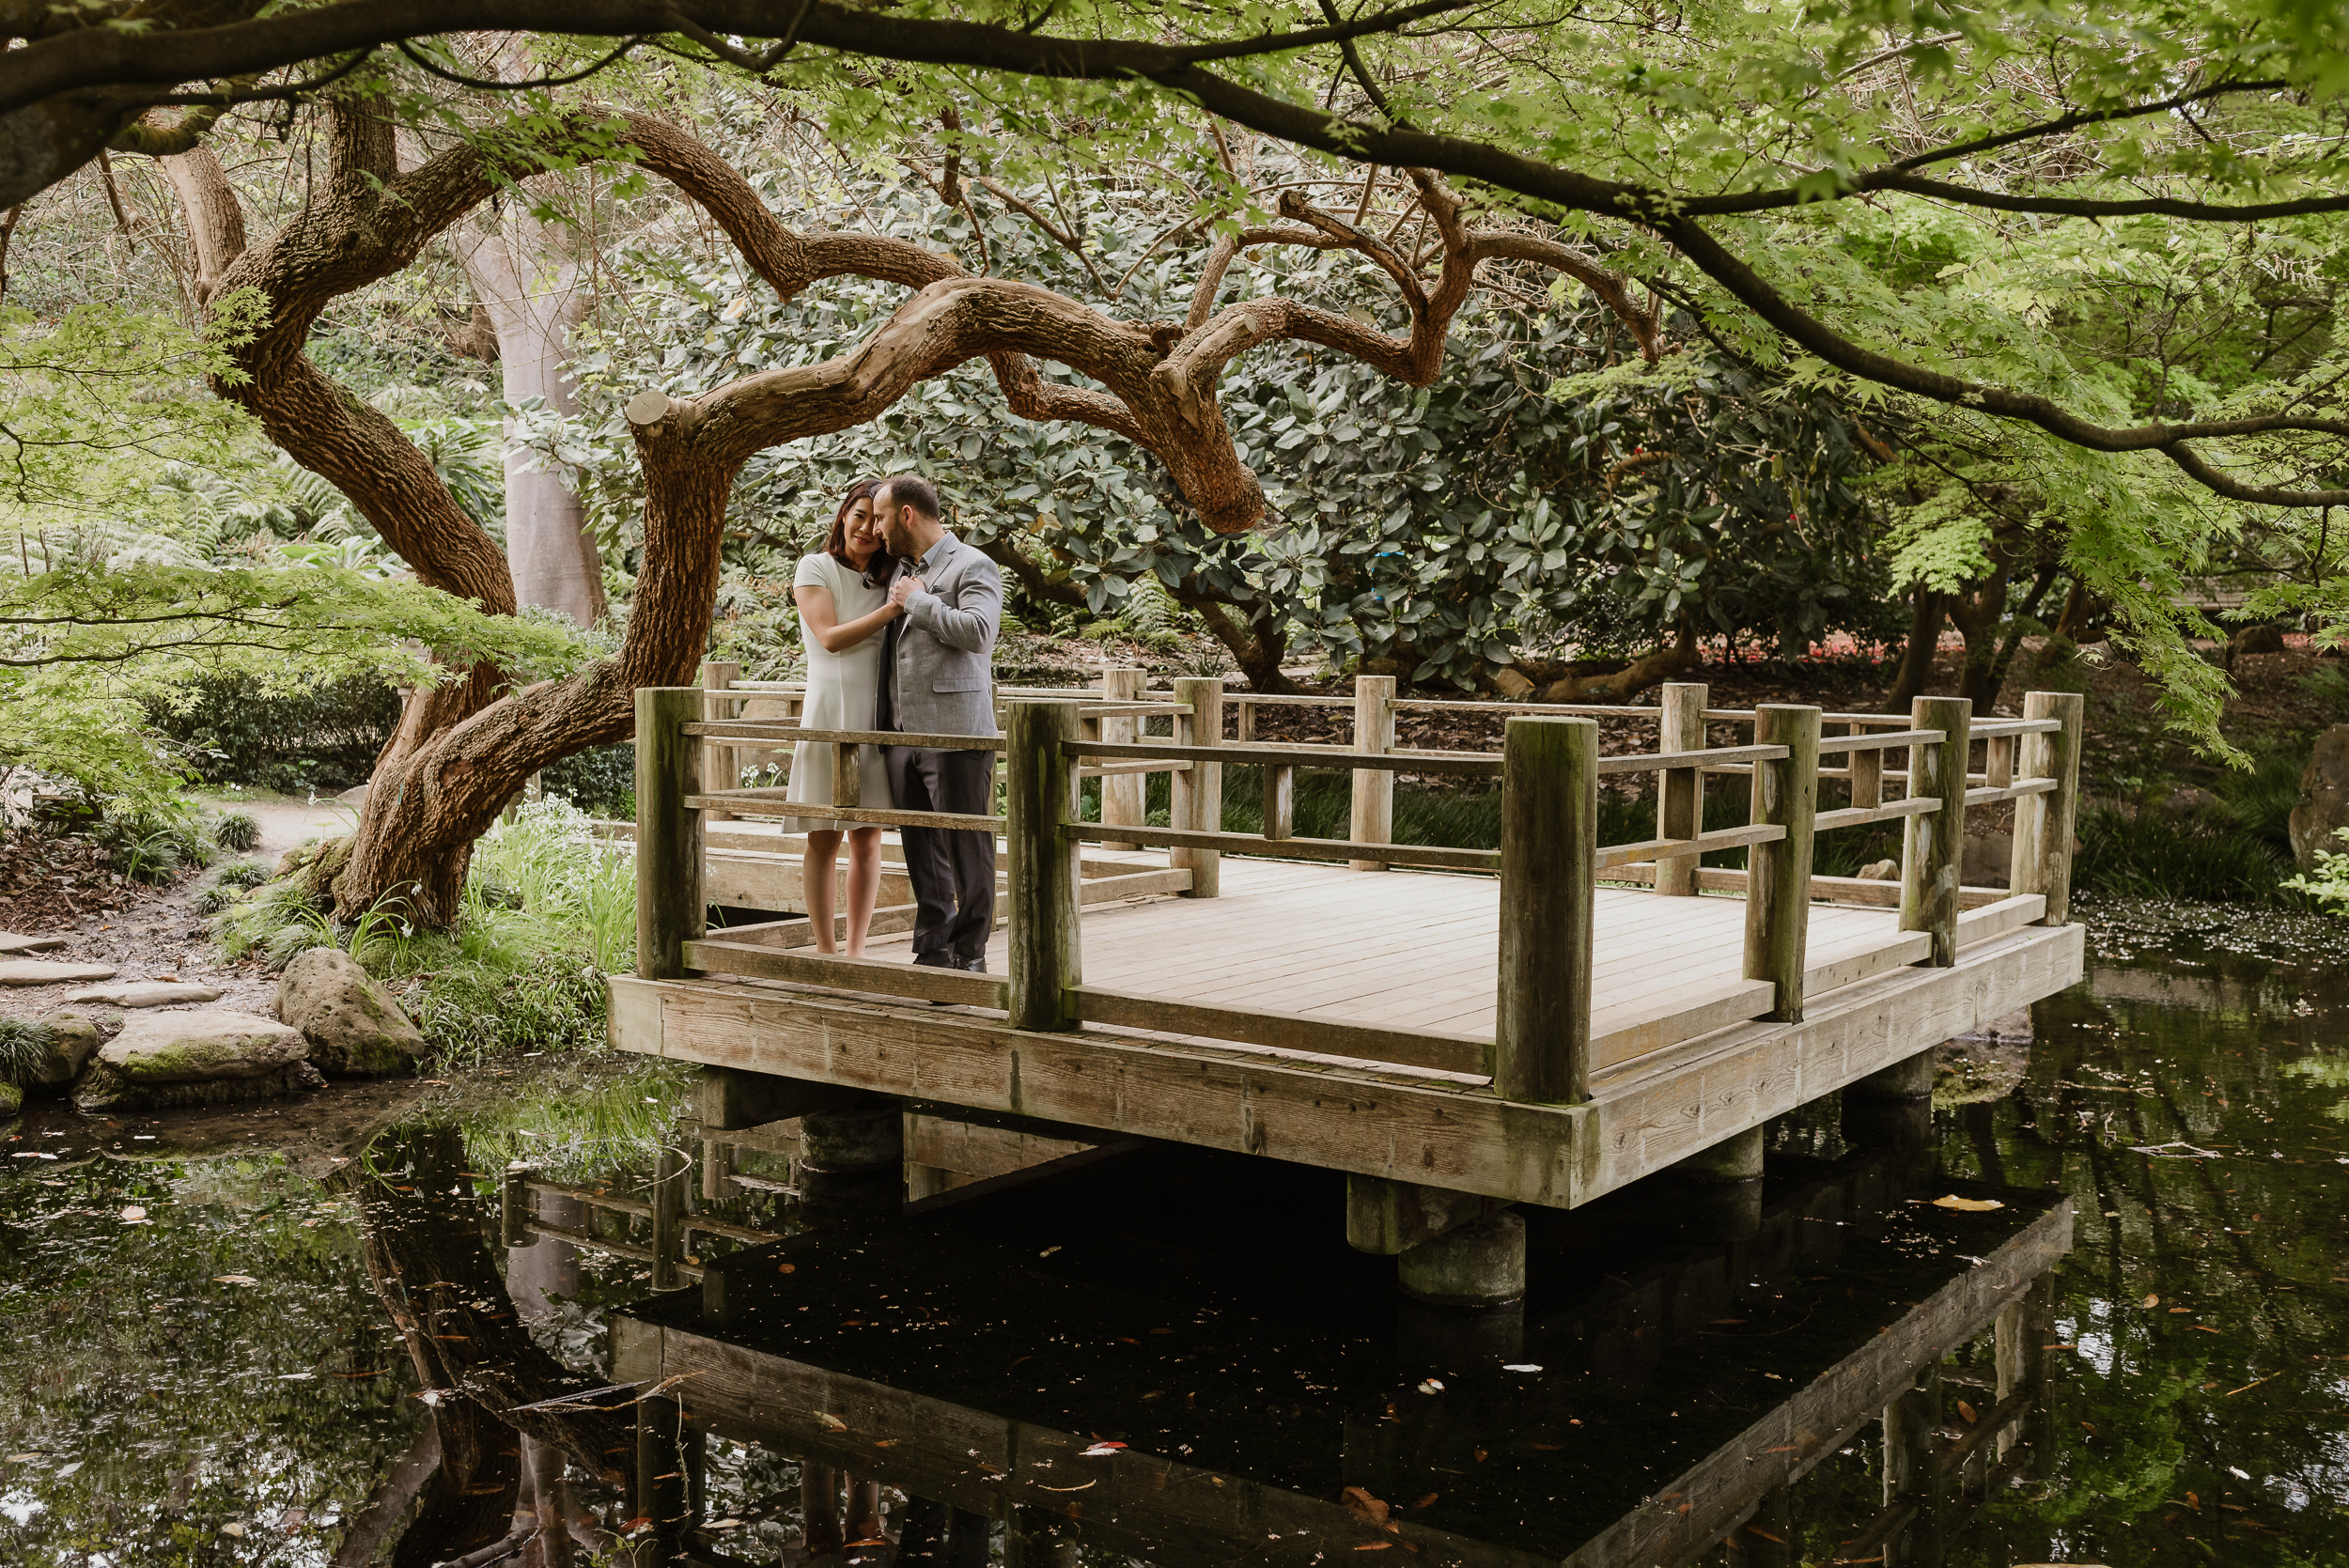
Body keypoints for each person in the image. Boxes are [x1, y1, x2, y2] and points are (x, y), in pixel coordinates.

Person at [871, 474, 1003, 972]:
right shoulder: (900, 570)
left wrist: (918, 602)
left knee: (968, 848)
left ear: (907, 514)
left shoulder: (974, 564)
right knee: (920, 847)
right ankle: (932, 948)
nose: (878, 529)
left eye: (882, 517)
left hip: (956, 732)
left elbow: (978, 632)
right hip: (901, 735)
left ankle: (970, 953)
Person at [781, 479, 903, 956]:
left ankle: (856, 950)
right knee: (824, 837)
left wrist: (897, 597)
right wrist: (896, 608)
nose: (868, 528)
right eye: (860, 515)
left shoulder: (893, 576)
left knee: (868, 837)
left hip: (874, 713)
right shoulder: (815, 566)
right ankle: (826, 949)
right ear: (843, 515)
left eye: (879, 520)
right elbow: (829, 637)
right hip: (828, 708)